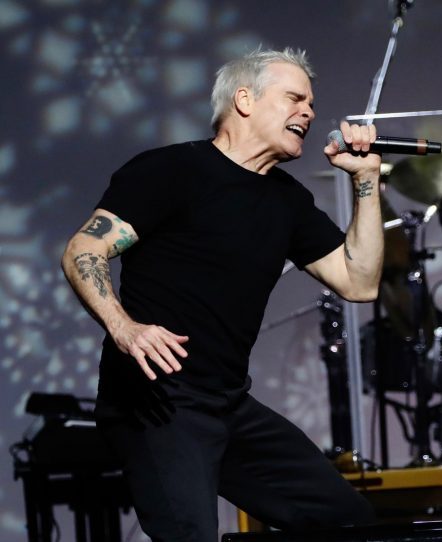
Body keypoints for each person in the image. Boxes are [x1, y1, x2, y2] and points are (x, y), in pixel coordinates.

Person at [61, 47, 383, 541]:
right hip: (155, 400)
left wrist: (365, 183)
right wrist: (124, 327)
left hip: (228, 403)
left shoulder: (287, 201)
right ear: (245, 99)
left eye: (312, 104)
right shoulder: (171, 170)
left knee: (347, 521)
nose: (310, 113)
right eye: (295, 98)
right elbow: (85, 249)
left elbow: (359, 283)